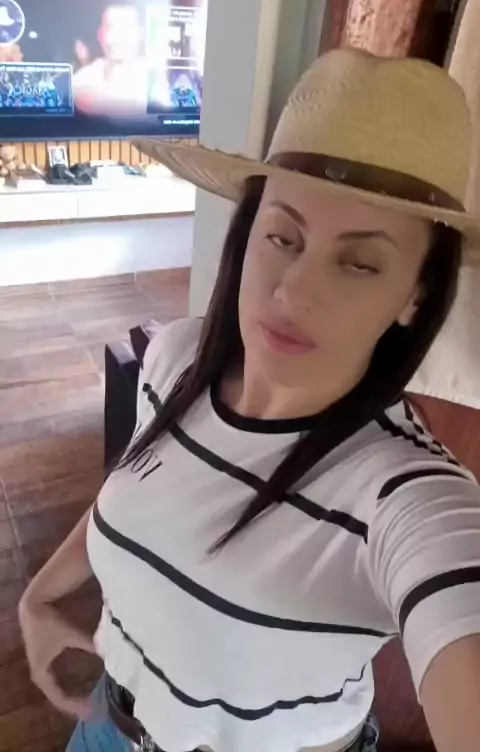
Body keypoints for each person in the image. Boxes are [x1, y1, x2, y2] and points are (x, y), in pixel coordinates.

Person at [19, 49, 480, 752]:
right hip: (108, 727)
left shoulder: (406, 495)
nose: (294, 291)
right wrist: (40, 595)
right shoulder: (176, 359)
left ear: (416, 294)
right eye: (282, 237)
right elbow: (144, 493)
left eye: (360, 263)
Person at [72, 5, 147, 117]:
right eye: (111, 28)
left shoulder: (157, 81)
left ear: (141, 33)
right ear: (100, 33)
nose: (117, 39)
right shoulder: (82, 80)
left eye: (127, 29)